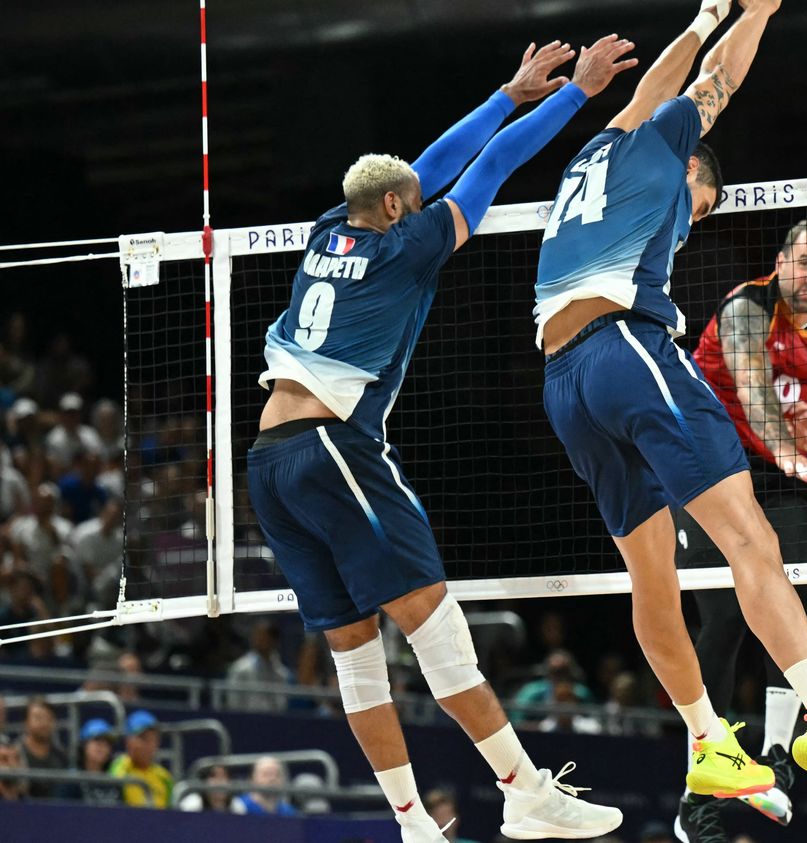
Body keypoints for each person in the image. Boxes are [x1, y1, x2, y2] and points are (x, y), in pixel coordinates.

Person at [533, 0, 807, 823]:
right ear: (688, 170)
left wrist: (706, 14)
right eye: (700, 205)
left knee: (652, 574)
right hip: (624, 350)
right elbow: (716, 83)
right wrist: (755, 11)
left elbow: (661, 85)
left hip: (562, 384)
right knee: (753, 537)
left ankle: (708, 741)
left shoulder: (590, 157)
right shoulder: (666, 153)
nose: (694, 217)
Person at [245, 37, 637, 843]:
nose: (421, 203)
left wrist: (507, 91)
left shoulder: (332, 229)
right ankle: (524, 789)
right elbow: (487, 166)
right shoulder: (407, 245)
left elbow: (423, 166)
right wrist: (574, 97)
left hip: (268, 465)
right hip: (331, 448)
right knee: (435, 627)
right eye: (412, 201)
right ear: (397, 210)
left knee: (356, 655)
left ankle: (414, 824)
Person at [674, 218, 807, 837]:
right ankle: (698, 792)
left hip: (785, 491)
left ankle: (777, 763)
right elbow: (755, 396)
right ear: (782, 261)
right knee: (727, 620)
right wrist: (791, 447)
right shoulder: (746, 307)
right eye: (806, 264)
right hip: (710, 480)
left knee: (794, 618)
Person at [109, 709, 174, 808]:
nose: (150, 745)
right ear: (129, 742)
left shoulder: (164, 777)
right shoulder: (119, 768)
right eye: (144, 739)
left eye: (153, 739)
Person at [225, 619, 294, 711]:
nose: (258, 640)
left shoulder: (282, 673)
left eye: (263, 637)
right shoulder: (241, 669)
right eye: (257, 635)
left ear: (274, 641)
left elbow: (282, 704)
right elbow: (233, 702)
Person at [59, 718, 121, 805]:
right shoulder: (71, 781)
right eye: (97, 741)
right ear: (84, 746)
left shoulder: (114, 781)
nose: (102, 747)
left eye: (107, 743)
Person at [17, 696, 67, 798]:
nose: (44, 723)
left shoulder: (61, 755)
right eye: (38, 718)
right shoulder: (14, 753)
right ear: (26, 722)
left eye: (49, 718)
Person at [230, 756, 297, 816]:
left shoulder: (289, 811)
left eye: (277, 775)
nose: (272, 779)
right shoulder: (240, 806)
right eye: (266, 774)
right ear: (252, 780)